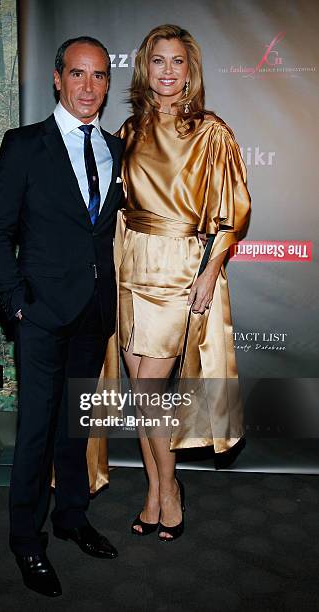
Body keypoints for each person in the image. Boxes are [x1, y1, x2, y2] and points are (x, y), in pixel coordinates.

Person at [0, 36, 123, 597]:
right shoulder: (24, 146)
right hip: (39, 315)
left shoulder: (116, 148)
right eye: (78, 75)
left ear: (108, 83)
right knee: (37, 432)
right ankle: (26, 541)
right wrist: (15, 303)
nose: (89, 86)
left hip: (94, 313)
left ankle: (71, 518)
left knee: (75, 428)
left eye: (100, 76)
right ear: (58, 79)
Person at [115, 25, 251, 542]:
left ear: (190, 70)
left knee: (150, 392)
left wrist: (211, 272)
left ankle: (169, 492)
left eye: (177, 62)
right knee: (141, 393)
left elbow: (231, 212)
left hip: (180, 269)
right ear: (144, 68)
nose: (167, 71)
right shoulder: (129, 130)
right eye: (157, 61)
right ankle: (154, 491)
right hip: (130, 267)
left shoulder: (211, 131)